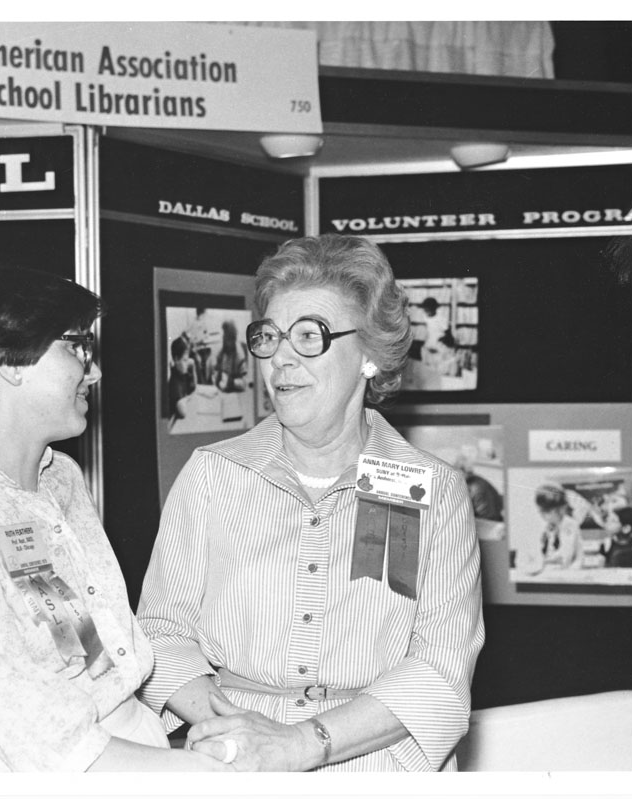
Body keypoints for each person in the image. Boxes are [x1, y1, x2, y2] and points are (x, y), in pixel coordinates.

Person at [137, 234, 485, 772]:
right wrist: (244, 733)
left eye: (308, 336)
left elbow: (440, 670)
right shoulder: (213, 475)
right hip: (235, 760)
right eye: (269, 336)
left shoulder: (432, 490)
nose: (280, 358)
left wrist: (299, 743)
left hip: (376, 763)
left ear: (369, 355)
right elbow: (161, 634)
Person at [0, 264, 226, 772]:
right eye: (76, 346)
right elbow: (54, 750)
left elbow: (84, 653)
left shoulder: (59, 479)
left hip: (133, 753)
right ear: (7, 364)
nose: (93, 371)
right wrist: (218, 775)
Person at [535, 484, 584, 569]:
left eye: (546, 511)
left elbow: (566, 555)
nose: (542, 515)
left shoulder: (569, 525)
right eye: (541, 511)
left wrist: (545, 560)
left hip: (569, 570)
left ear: (561, 509)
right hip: (553, 569)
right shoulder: (550, 526)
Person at [212, 319, 248, 393]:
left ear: (233, 339)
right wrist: (216, 377)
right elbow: (215, 371)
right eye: (224, 337)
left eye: (227, 337)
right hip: (222, 391)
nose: (224, 339)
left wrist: (231, 382)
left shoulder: (239, 356)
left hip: (234, 392)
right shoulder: (222, 352)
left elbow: (244, 383)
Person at [168, 335, 197, 419]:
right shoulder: (175, 382)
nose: (187, 363)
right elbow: (183, 412)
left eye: (187, 359)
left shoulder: (182, 373)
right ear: (176, 359)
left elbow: (194, 387)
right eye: (185, 360)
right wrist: (188, 398)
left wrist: (193, 366)